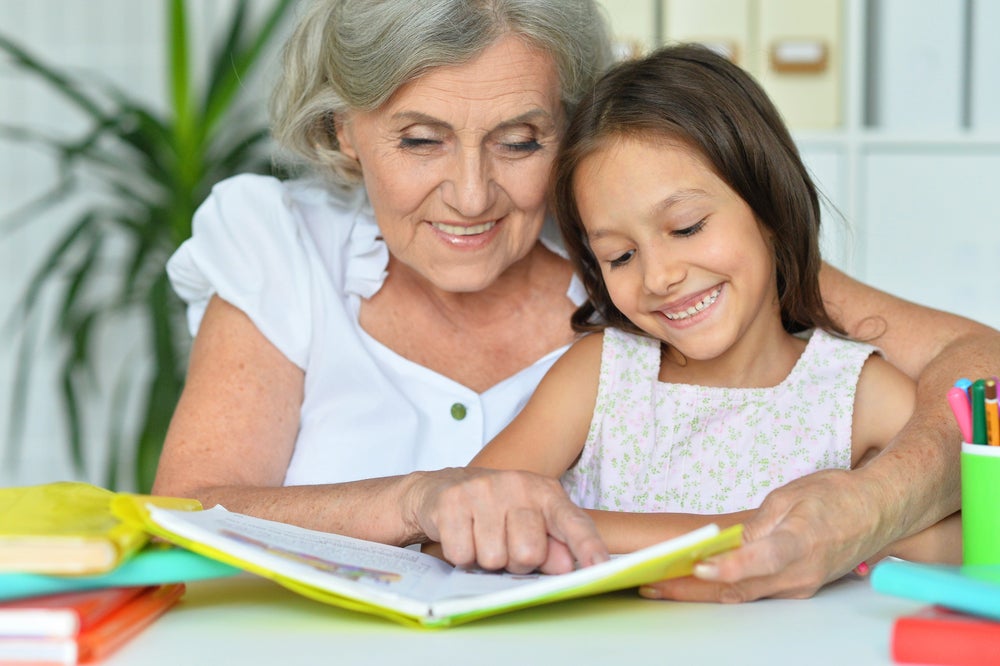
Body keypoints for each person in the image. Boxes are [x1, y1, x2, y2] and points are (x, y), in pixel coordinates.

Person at [152, 0, 1000, 599]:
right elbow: (182, 517)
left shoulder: (648, 237)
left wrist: (874, 509)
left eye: (520, 141)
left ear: (569, 125)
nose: (473, 195)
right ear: (345, 129)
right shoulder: (279, 247)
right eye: (421, 141)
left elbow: (980, 372)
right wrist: (416, 499)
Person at [469, 44, 960, 571]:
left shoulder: (857, 393)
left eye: (687, 227)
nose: (659, 277)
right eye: (621, 255)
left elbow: (977, 535)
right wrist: (750, 529)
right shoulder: (602, 376)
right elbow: (466, 514)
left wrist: (859, 531)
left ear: (770, 206)